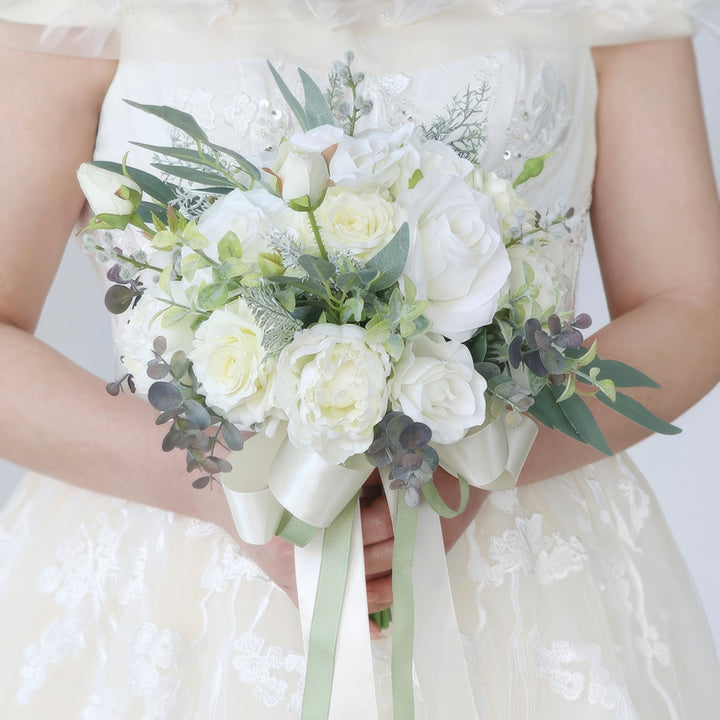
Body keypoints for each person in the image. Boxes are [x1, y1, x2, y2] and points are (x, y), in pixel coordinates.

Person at [0, 0, 719, 717]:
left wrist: (478, 460)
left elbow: (693, 304)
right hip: (172, 583)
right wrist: (234, 487)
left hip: (522, 572)